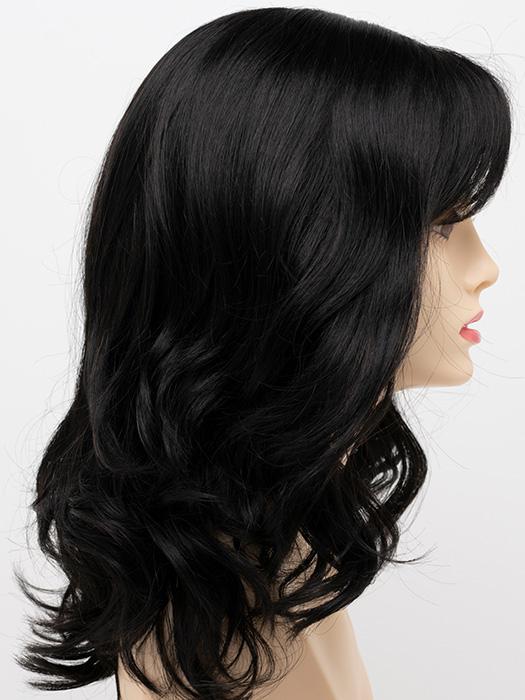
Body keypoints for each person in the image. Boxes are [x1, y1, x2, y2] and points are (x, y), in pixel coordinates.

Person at [14, 7, 512, 700]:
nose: (485, 268)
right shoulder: (220, 637)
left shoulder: (281, 560)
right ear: (298, 243)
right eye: (440, 226)